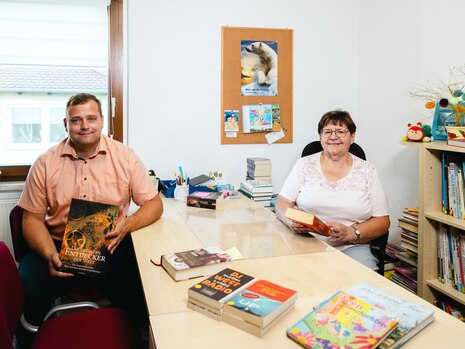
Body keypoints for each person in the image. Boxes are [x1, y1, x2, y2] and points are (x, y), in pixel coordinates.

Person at [16, 93, 163, 348]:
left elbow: (154, 203)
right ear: (65, 124)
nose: (85, 126)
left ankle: (135, 336)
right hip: (56, 245)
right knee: (26, 286)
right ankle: (30, 339)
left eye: (91, 118)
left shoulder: (125, 157)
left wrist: (127, 225)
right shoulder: (44, 163)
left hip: (109, 245)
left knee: (141, 286)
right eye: (76, 120)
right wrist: (50, 253)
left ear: (102, 121)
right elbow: (31, 219)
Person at [275, 109, 390, 270]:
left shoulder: (368, 171)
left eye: (341, 131)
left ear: (352, 137)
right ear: (321, 137)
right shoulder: (304, 164)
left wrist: (351, 233)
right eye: (327, 132)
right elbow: (282, 203)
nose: (333, 136)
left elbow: (382, 221)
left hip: (352, 247)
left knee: (361, 288)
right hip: (305, 241)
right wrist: (290, 221)